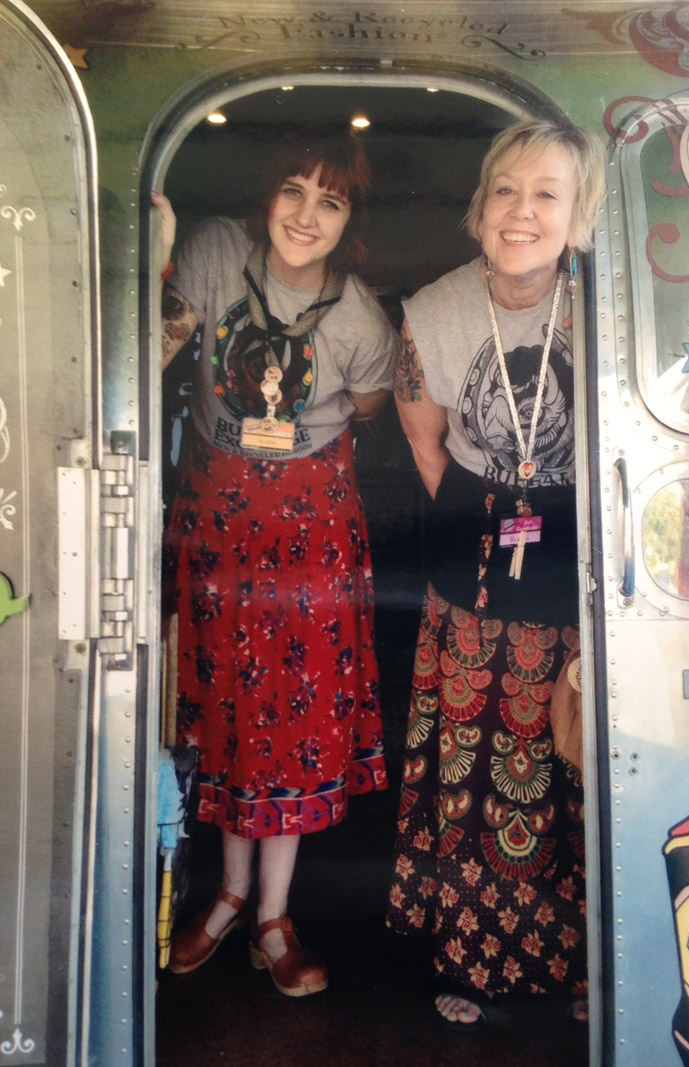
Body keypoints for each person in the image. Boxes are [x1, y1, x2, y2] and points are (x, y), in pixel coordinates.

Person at [154, 127, 397, 996]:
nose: (306, 215)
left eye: (330, 201)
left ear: (350, 221)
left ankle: (271, 916)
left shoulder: (361, 317)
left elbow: (371, 407)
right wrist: (151, 251)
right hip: (215, 521)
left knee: (289, 723)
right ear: (267, 194)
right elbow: (151, 347)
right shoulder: (219, 252)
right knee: (225, 706)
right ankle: (226, 896)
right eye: (294, 190)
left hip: (309, 532)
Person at [386, 118, 606, 1027]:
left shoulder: (606, 298)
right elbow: (425, 444)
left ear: (578, 213)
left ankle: (590, 965)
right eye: (505, 190)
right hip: (474, 566)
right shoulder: (432, 310)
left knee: (580, 767)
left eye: (547, 193)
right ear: (480, 208)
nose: (523, 212)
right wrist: (487, 527)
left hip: (585, 558)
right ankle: (476, 961)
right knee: (476, 774)